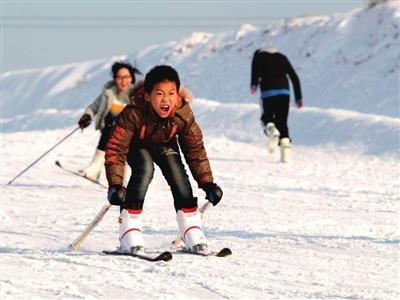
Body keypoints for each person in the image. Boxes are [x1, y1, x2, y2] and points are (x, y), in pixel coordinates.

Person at [104, 65, 223, 255]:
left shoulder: (182, 113)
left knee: (178, 175)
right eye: (159, 94)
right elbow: (116, 148)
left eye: (171, 93)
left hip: (164, 143)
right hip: (138, 145)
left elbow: (195, 149)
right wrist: (115, 185)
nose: (166, 99)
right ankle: (129, 229)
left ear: (178, 94)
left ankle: (191, 227)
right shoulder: (133, 111)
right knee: (144, 169)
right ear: (148, 95)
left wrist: (207, 183)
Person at [77, 61, 140, 183]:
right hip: (110, 131)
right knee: (111, 125)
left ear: (132, 78)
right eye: (120, 77)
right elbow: (93, 107)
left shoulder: (137, 95)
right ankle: (94, 169)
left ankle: (123, 180)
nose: (123, 81)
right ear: (115, 79)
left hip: (131, 135)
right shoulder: (108, 94)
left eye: (126, 77)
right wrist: (87, 116)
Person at [250, 48, 303, 162]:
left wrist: (253, 84)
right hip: (285, 93)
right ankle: (286, 156)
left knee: (267, 118)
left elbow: (255, 70)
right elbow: (294, 77)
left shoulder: (259, 56)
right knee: (282, 122)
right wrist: (298, 97)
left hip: (268, 93)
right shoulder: (282, 57)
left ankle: (272, 132)